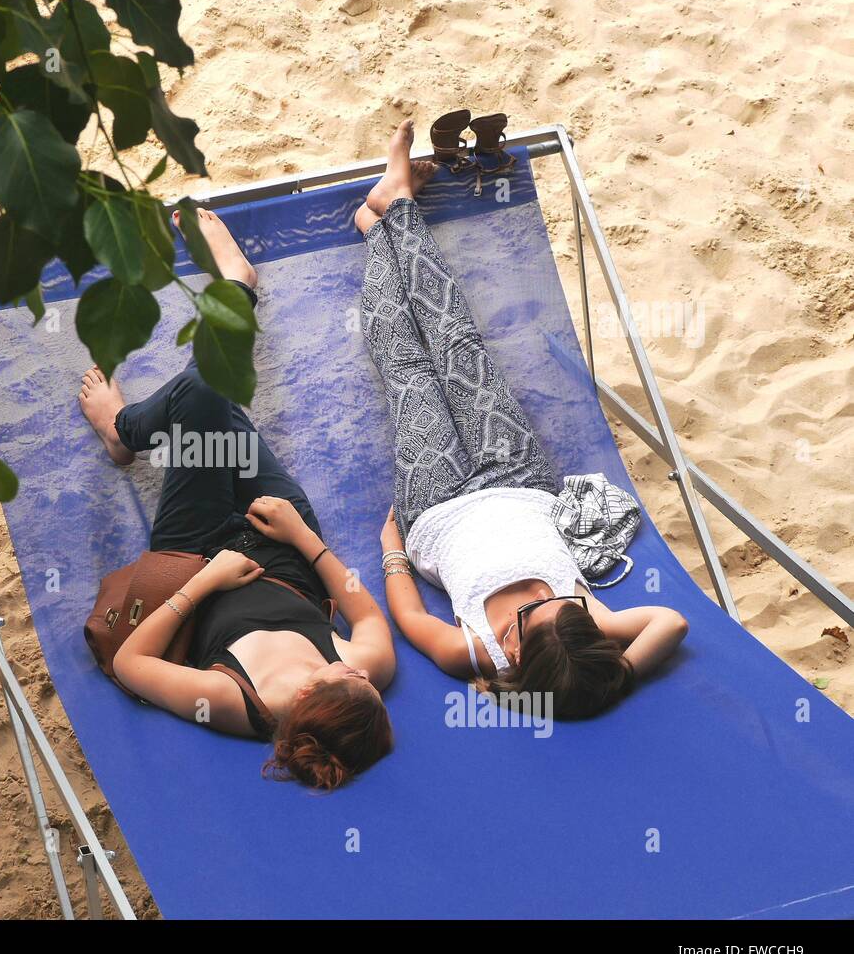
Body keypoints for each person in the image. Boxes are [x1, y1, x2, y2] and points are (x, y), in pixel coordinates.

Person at [354, 119, 688, 718]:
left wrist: (392, 554)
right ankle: (390, 214)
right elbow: (671, 620)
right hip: (518, 478)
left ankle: (385, 222)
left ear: (514, 657)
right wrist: (623, 674)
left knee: (405, 365)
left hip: (433, 507)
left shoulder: (475, 653)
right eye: (553, 609)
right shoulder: (592, 620)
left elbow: (408, 618)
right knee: (458, 342)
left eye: (526, 622)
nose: (537, 602)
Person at [79, 208, 396, 789]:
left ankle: (126, 429)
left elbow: (130, 665)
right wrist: (303, 538)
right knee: (211, 405)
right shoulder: (363, 673)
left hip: (194, 556)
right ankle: (133, 420)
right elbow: (364, 611)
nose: (361, 669)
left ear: (306, 693)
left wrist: (207, 581)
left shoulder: (233, 702)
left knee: (205, 395)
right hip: (283, 539)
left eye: (351, 678)